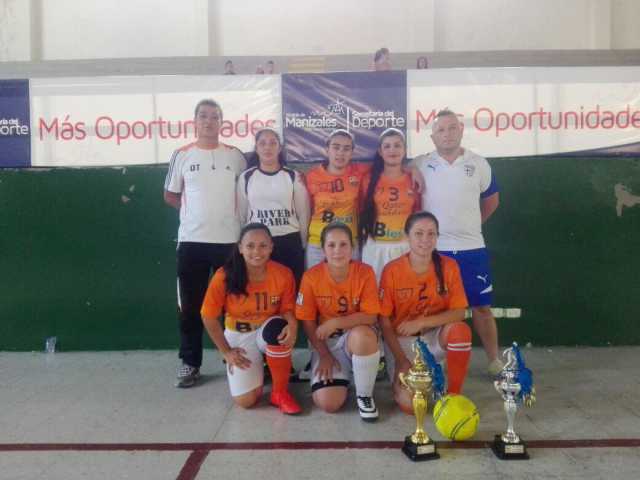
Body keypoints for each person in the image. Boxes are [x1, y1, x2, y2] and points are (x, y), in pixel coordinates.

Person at [164, 99, 247, 388]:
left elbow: (245, 193)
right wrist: (195, 217)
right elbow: (171, 195)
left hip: (230, 244)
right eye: (203, 116)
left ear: (222, 122)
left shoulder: (236, 156)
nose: (209, 121)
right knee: (191, 306)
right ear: (195, 121)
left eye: (215, 116)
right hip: (192, 243)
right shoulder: (182, 155)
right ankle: (190, 363)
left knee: (234, 304)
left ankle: (234, 357)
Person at [413, 109, 502, 375]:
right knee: (432, 307)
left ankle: (494, 361)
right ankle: (430, 361)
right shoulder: (419, 163)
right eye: (441, 130)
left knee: (482, 308)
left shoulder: (479, 164)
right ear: (432, 136)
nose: (447, 134)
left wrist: (470, 227)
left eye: (452, 128)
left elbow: (492, 201)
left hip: (472, 249)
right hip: (434, 251)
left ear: (461, 130)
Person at [201, 223, 302, 414]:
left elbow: (287, 308)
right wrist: (227, 352)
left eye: (263, 245)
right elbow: (208, 317)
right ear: (240, 247)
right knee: (247, 401)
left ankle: (279, 393)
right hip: (239, 335)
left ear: (271, 246)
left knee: (279, 329)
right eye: (250, 246)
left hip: (267, 330)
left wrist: (293, 323)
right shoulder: (224, 276)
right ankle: (263, 368)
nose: (257, 251)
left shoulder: (283, 273)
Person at [379, 212, 472, 414]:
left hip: (433, 339)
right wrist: (401, 360)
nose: (425, 240)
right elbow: (384, 322)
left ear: (437, 237)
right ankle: (406, 379)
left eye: (431, 234)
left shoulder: (449, 266)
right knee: (412, 406)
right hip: (403, 345)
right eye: (418, 233)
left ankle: (453, 395)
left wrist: (422, 322)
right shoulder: (392, 270)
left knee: (460, 331)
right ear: (407, 236)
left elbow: (459, 312)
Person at [296, 222, 381, 421]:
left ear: (352, 248)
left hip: (356, 340)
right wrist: (323, 354)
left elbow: (371, 316)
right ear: (323, 249)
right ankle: (350, 374)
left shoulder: (365, 272)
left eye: (343, 245)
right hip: (328, 344)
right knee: (329, 404)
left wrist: (335, 323)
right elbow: (307, 322)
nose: (337, 251)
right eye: (331, 245)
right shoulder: (311, 277)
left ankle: (365, 395)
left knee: (363, 335)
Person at [237, 128, 310, 287]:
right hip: (258, 243)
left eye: (272, 143)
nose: (267, 147)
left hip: (289, 241)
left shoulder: (293, 176)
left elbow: (303, 214)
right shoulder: (246, 177)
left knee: (292, 288)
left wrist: (302, 245)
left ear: (280, 147)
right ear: (256, 148)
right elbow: (242, 215)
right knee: (262, 288)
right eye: (262, 143)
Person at [360, 128, 421, 283]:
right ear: (380, 151)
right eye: (387, 146)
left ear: (405, 150)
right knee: (376, 294)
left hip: (405, 246)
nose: (392, 150)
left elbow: (418, 212)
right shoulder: (368, 179)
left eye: (397, 145)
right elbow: (361, 209)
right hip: (376, 247)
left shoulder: (414, 179)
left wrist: (413, 169)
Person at [304, 129, 369, 269]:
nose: (340, 153)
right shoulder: (311, 176)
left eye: (346, 148)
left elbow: (388, 167)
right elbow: (306, 210)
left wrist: (413, 169)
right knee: (317, 288)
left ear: (352, 152)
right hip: (318, 243)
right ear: (327, 149)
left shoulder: (360, 172)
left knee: (350, 287)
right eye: (336, 147)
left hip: (349, 242)